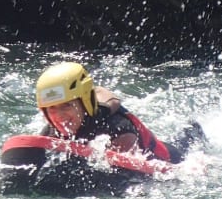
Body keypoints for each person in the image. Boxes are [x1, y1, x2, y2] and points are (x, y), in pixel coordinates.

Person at [35, 61, 204, 163]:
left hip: (171, 157)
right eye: (52, 108)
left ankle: (193, 131)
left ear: (84, 102)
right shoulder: (51, 131)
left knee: (187, 142)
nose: (59, 116)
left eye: (66, 106)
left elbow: (123, 175)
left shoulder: (118, 129)